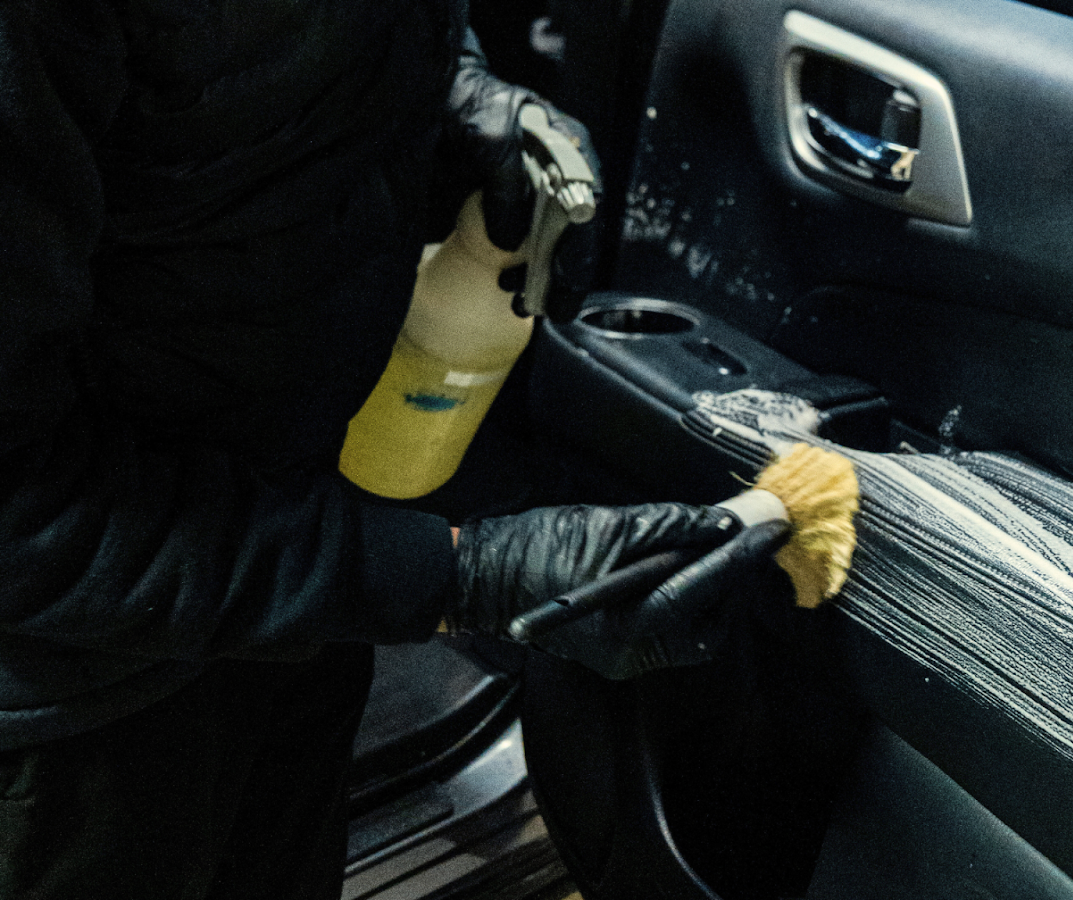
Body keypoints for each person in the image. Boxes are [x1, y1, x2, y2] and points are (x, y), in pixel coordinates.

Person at [0, 1, 768, 896]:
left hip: (289, 589)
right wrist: (453, 576)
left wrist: (455, 101)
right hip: (81, 693)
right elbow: (19, 513)